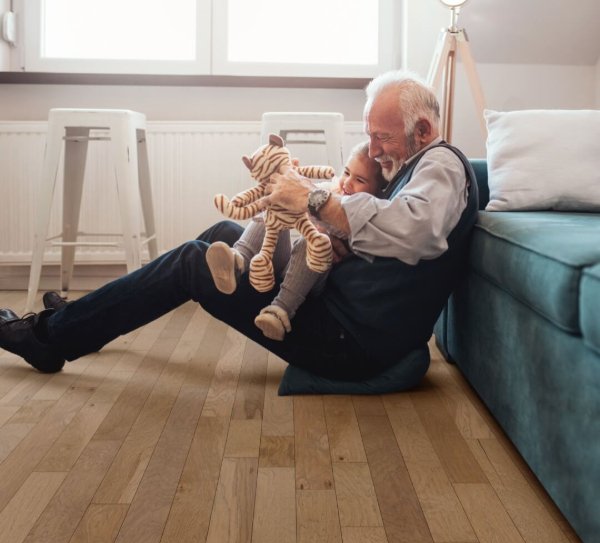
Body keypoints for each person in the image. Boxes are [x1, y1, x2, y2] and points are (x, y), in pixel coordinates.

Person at [0, 70, 478, 381]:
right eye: (369, 136)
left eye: (382, 137)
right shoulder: (411, 165)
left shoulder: (442, 164)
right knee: (222, 236)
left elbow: (418, 229)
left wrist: (312, 200)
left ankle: (49, 339)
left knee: (193, 264)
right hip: (336, 305)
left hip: (347, 337)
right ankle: (84, 320)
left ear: (424, 131)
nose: (372, 150)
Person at [205, 141, 386, 341]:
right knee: (275, 208)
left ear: (376, 192)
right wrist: (290, 183)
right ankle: (237, 260)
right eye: (346, 172)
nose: (347, 183)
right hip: (289, 268)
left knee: (314, 241)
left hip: (312, 283)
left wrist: (316, 216)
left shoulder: (364, 214)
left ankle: (279, 311)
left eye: (359, 180)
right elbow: (306, 192)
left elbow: (321, 212)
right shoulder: (333, 190)